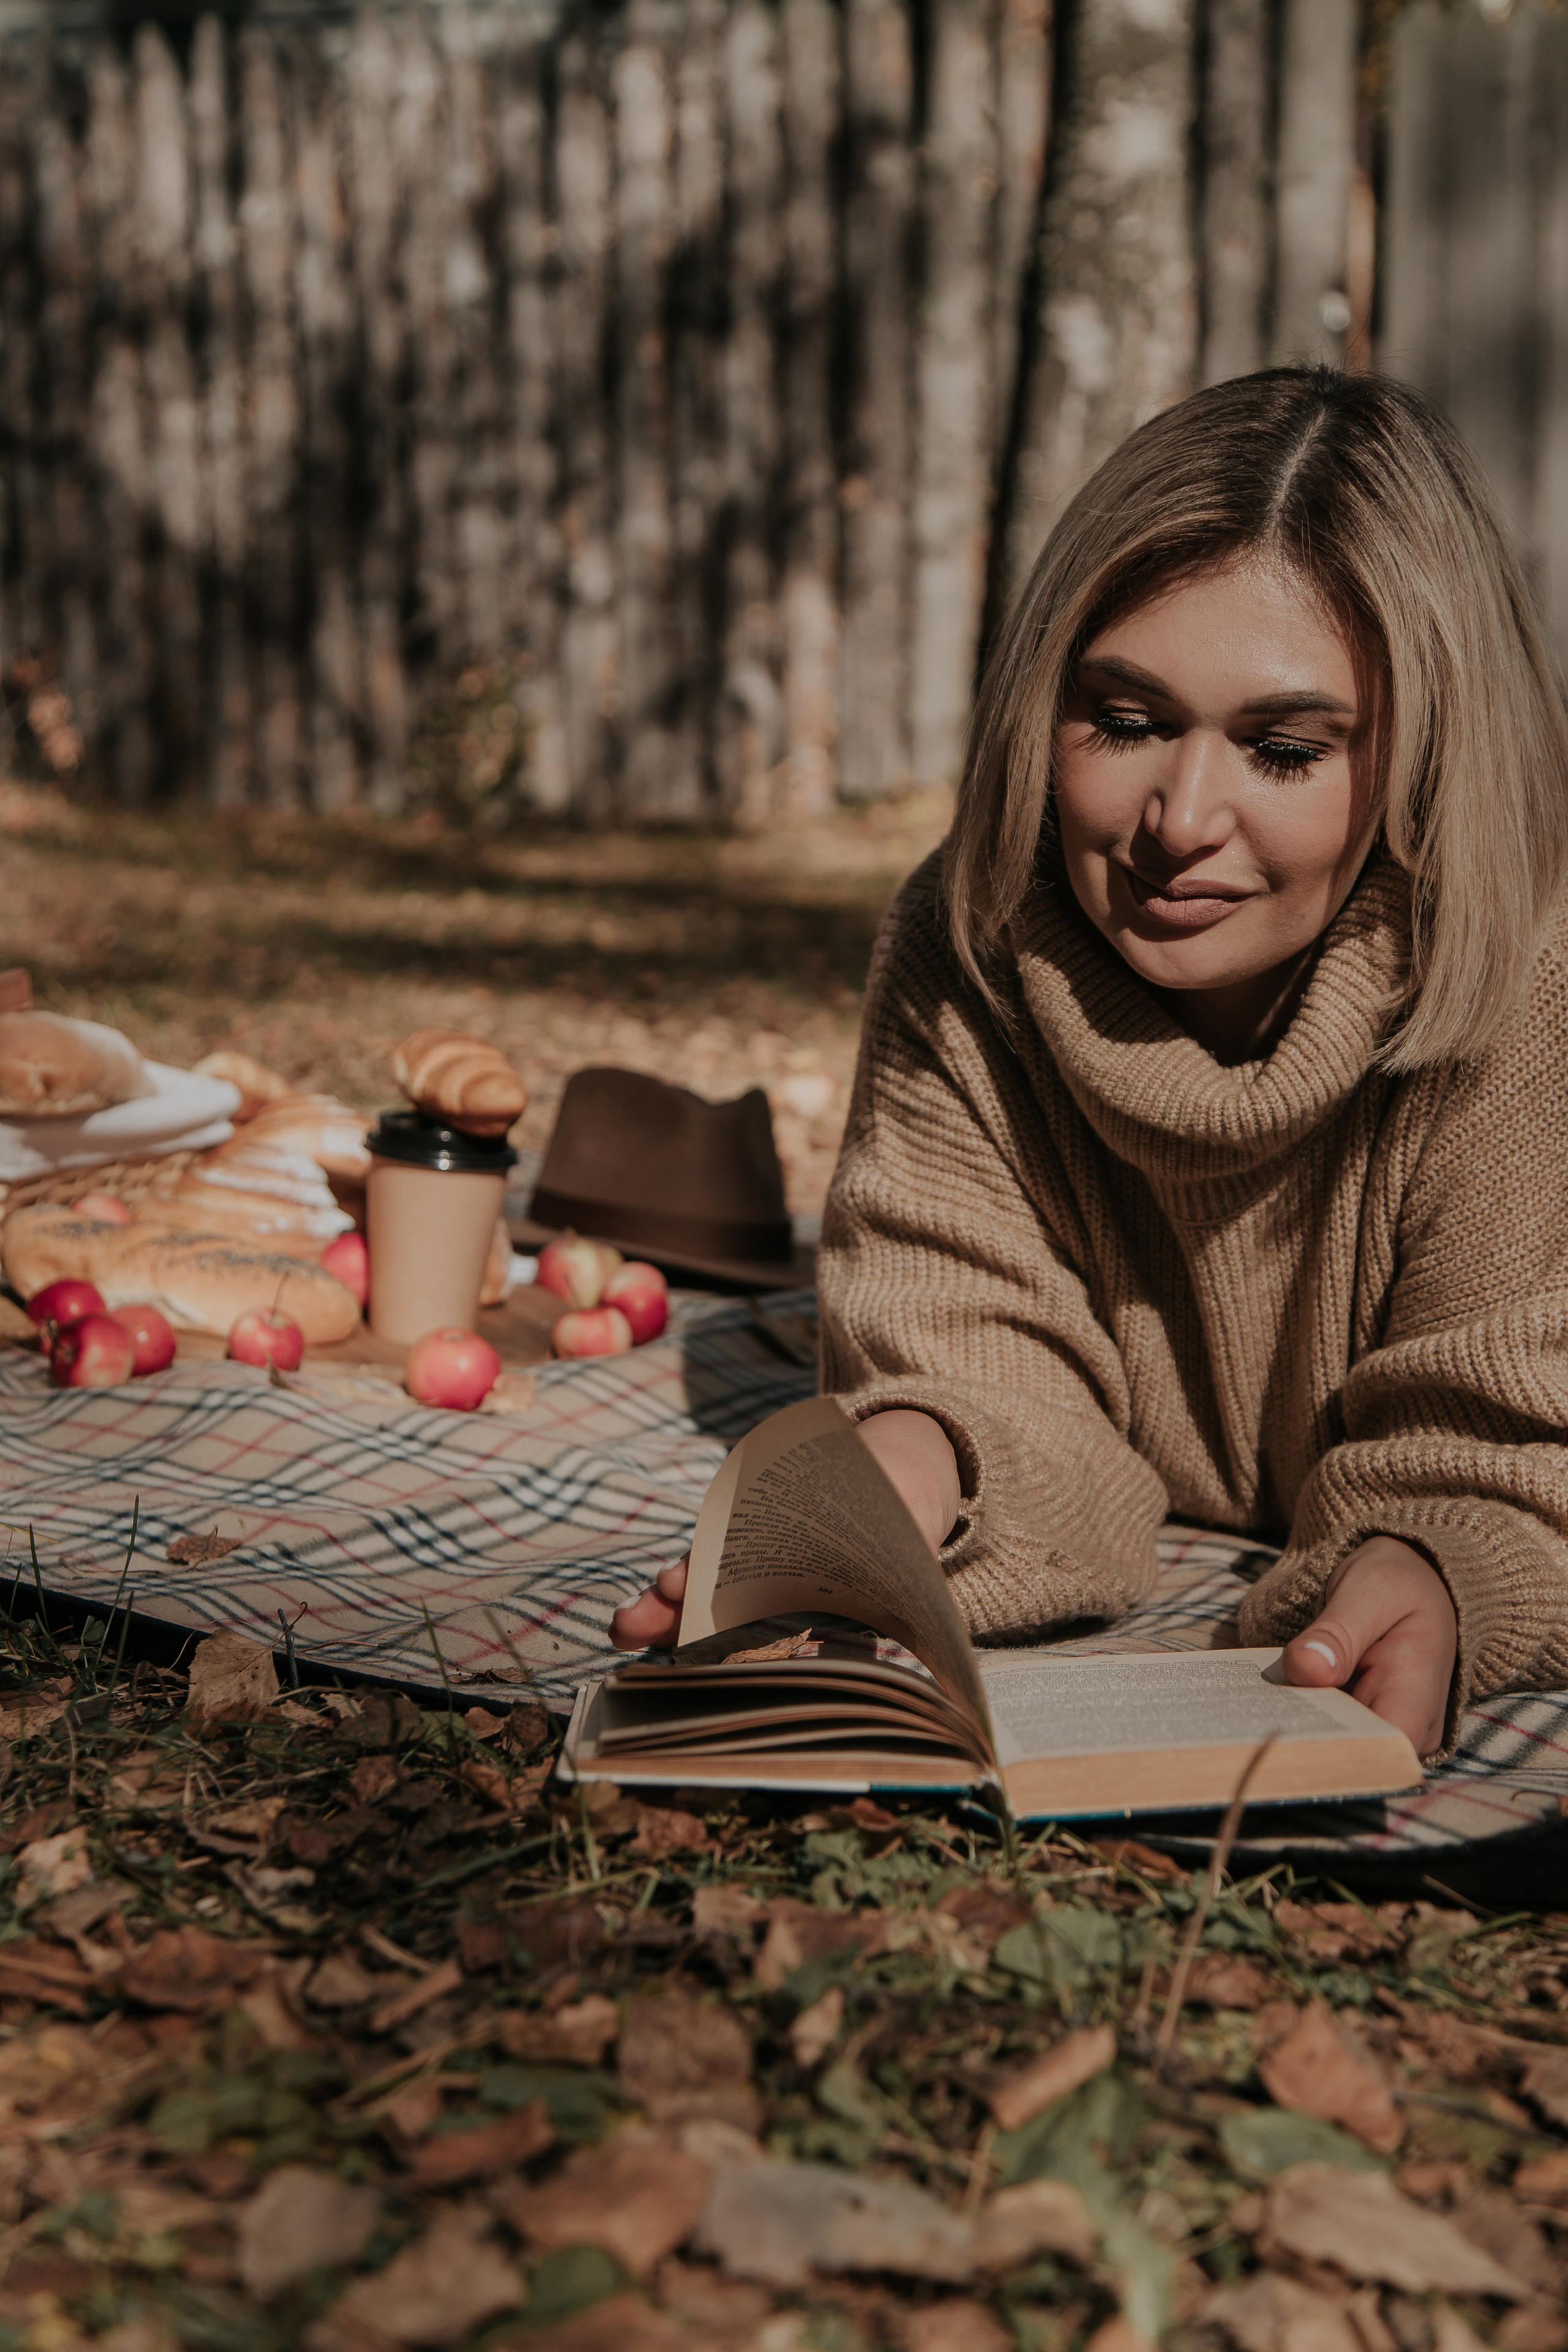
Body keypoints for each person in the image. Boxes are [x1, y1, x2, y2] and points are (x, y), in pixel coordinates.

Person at [612, 365, 1568, 1763]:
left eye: (1283, 749)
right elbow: (966, 1343)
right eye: (1124, 725)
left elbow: (1507, 1435)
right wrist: (895, 1482)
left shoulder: (1523, 987)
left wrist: (1436, 1566)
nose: (1179, 820)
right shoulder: (974, 941)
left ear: (1420, 754)